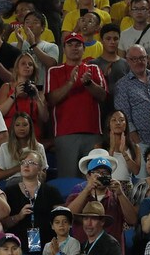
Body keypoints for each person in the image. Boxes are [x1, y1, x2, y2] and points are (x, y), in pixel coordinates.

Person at [46, 32, 108, 177]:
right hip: (65, 133)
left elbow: (103, 96)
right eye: (70, 45)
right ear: (64, 49)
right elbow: (51, 99)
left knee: (94, 177)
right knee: (68, 178)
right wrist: (70, 83)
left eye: (78, 45)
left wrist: (88, 83)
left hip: (93, 132)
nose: (74, 48)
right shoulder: (54, 71)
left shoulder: (94, 69)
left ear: (84, 49)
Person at [67, 148, 137, 251]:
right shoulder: (77, 197)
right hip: (83, 254)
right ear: (88, 176)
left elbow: (133, 220)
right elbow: (67, 217)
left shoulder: (117, 198)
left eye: (105, 173)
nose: (101, 176)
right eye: (97, 173)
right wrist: (87, 190)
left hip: (112, 254)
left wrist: (120, 194)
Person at [2, 150, 61, 255]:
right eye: (23, 162)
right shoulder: (10, 192)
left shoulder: (51, 191)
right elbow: (4, 223)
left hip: (47, 247)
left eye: (31, 162)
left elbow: (61, 218)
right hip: (19, 248)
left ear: (40, 169)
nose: (26, 165)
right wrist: (18, 216)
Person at [114, 45, 150, 172]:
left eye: (142, 58)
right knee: (144, 178)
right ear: (128, 61)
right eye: (134, 59)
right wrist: (137, 142)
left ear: (147, 59)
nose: (139, 62)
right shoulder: (122, 85)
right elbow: (124, 116)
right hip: (141, 141)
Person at [0, 53, 50, 143]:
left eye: (30, 64)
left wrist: (37, 99)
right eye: (23, 63)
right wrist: (14, 95)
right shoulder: (6, 87)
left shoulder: (38, 92)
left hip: (32, 139)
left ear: (33, 69)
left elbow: (45, 118)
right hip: (9, 138)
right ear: (17, 68)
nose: (27, 66)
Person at [0, 113, 49, 185]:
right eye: (17, 125)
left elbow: (43, 175)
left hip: (33, 181)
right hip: (13, 182)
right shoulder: (4, 147)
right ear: (13, 127)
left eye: (25, 125)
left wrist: (33, 169)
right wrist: (19, 168)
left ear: (30, 127)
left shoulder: (39, 147)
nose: (21, 128)